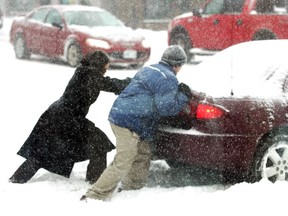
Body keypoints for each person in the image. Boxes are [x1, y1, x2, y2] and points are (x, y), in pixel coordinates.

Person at [81, 45, 192, 201]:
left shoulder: (150, 69)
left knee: (143, 153)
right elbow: (166, 108)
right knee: (124, 161)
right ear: (178, 64)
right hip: (128, 121)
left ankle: (131, 190)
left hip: (123, 115)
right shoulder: (168, 78)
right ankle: (94, 195)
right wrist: (183, 95)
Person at [9, 50, 131, 184]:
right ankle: (96, 182)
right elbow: (112, 84)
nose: (106, 70)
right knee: (98, 144)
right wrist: (134, 82)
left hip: (57, 115)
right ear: (99, 65)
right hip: (67, 118)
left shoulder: (84, 71)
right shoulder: (90, 75)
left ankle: (16, 179)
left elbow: (106, 82)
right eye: (105, 67)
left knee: (44, 152)